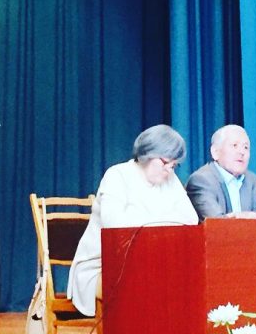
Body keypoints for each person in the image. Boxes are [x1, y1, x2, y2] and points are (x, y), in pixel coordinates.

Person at [66, 125, 198, 316]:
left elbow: (190, 220)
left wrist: (144, 220)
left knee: (181, 282)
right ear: (148, 154)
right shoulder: (117, 175)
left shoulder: (171, 180)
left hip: (153, 264)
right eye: (165, 162)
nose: (169, 169)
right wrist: (165, 220)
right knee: (150, 284)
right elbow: (116, 226)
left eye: (174, 165)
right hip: (102, 267)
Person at [186, 124, 256, 220]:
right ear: (215, 152)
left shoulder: (251, 180)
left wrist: (251, 216)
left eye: (246, 147)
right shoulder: (201, 180)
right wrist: (245, 219)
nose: (241, 152)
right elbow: (216, 223)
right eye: (234, 145)